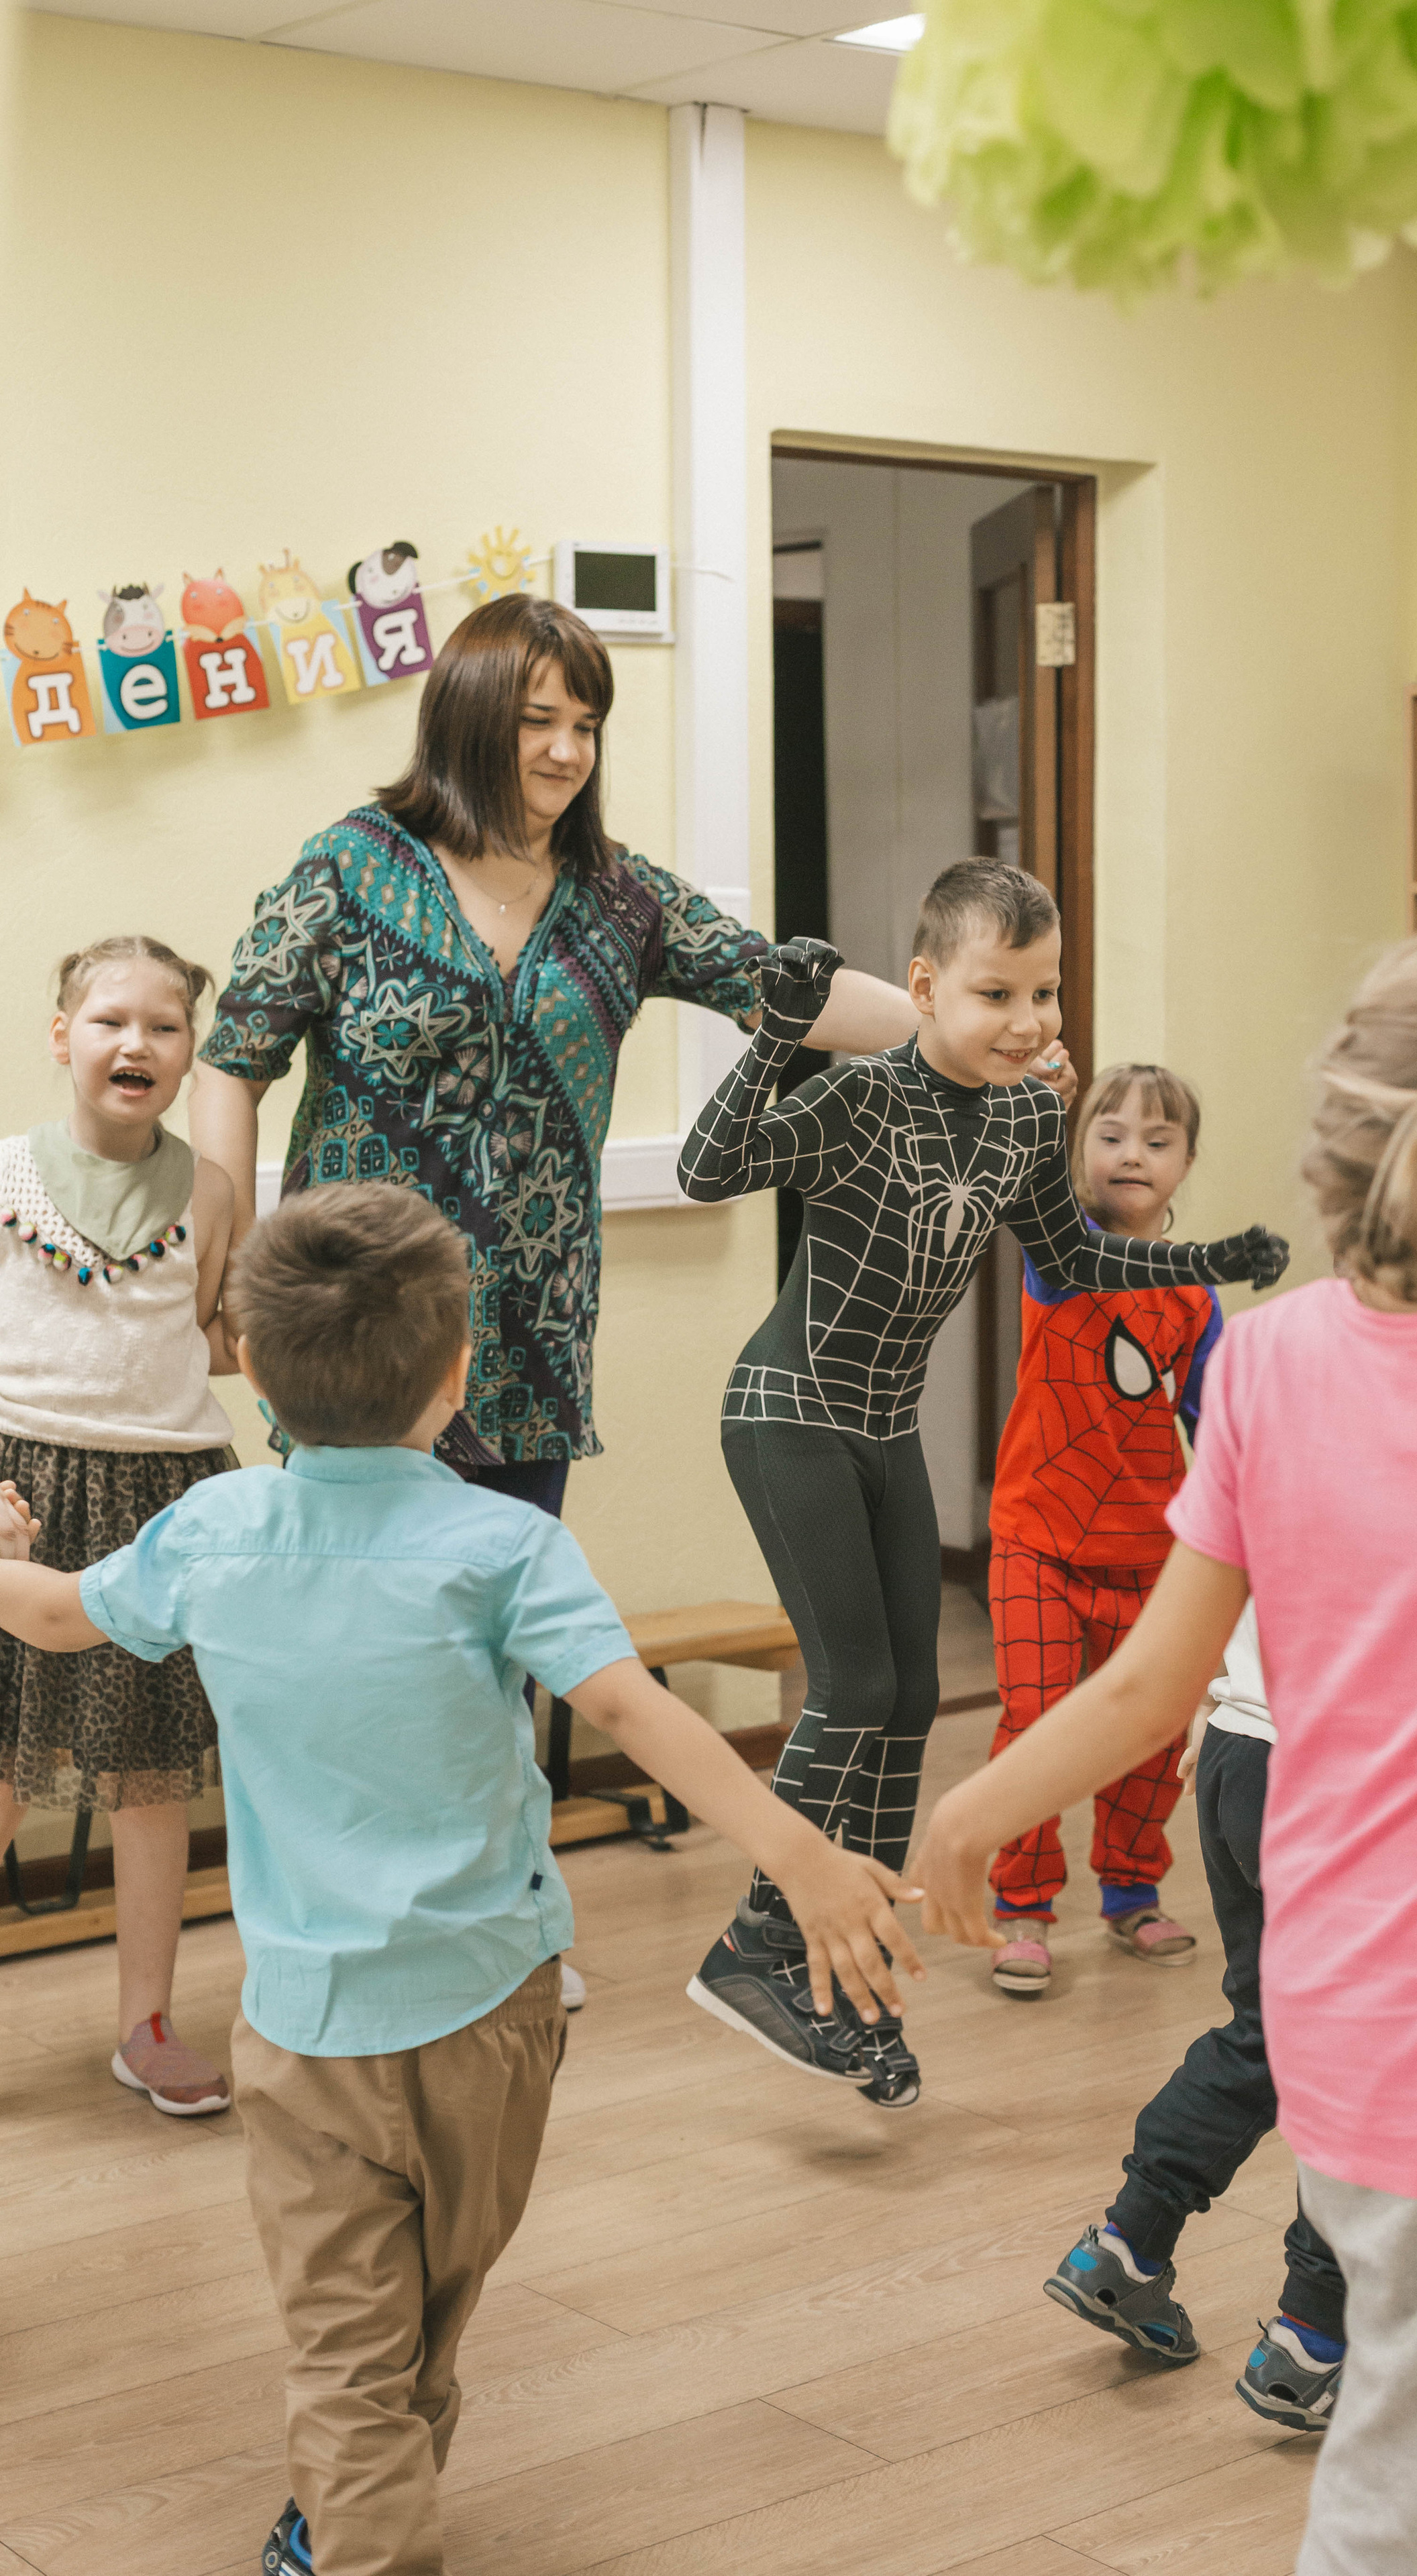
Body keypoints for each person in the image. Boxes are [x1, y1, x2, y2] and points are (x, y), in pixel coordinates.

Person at [910, 921, 1417, 2576]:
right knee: (1404, 2459)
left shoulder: (1264, 1356)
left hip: (1330, 1999)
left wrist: (965, 1813)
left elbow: (1151, 1685)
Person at [0, 1181, 924, 2576]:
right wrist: (798, 1858)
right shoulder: (506, 1545)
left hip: (310, 2032)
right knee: (419, 2310)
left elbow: (63, 1618)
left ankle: (355, 2499)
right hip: (498, 2017)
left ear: (247, 1368)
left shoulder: (215, 1533)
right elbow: (637, 1712)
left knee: (354, 2340)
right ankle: (362, 2502)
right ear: (455, 1378)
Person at [678, 862, 1288, 2110]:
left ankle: (849, 1991)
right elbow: (704, 1166)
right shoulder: (859, 1097)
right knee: (851, 1689)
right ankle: (756, 1939)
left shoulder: (1019, 1121)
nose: (1030, 1020)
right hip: (788, 1410)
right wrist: (778, 1036)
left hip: (883, 1425)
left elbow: (1072, 1256)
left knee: (908, 1708)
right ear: (922, 987)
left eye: (1048, 992)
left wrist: (1208, 1258)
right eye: (997, 991)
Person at [190, 592, 937, 1510]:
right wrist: (229, 1265)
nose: (568, 751)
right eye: (538, 721)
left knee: (504, 1625)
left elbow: (782, 988)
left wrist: (957, 1029)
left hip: (528, 1333)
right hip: (355, 1318)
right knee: (371, 1622)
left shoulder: (619, 896)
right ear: (467, 719)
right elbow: (233, 1060)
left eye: (587, 726)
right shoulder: (349, 869)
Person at [0, 934, 239, 2116]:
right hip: (21, 1505)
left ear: (191, 1052)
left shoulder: (211, 1193)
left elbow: (195, 1329)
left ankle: (146, 2022)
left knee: (151, 1783)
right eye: (110, 1021)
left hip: (163, 1505)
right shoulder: (4, 1175)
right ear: (62, 1038)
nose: (136, 1043)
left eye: (164, 1026)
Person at [1043, 1600, 1349, 2434]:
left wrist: (1224, 1705)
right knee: (1365, 2071)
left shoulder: (1261, 1456)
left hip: (1242, 1745)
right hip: (1345, 1773)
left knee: (1267, 2029)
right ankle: (1314, 2343)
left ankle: (1126, 2248)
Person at [986, 1061, 1220, 1992]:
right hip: (1038, 1537)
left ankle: (1131, 1891)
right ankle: (1023, 1906)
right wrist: (1039, 1103)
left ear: (1187, 1163)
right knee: (1036, 1722)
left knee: (1154, 1732)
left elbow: (1214, 1427)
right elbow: (1034, 1187)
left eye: (1158, 1141)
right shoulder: (1061, 1254)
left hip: (1154, 1555)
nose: (1132, 1154)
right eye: (1110, 1134)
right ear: (1079, 1153)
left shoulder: (1197, 1295)